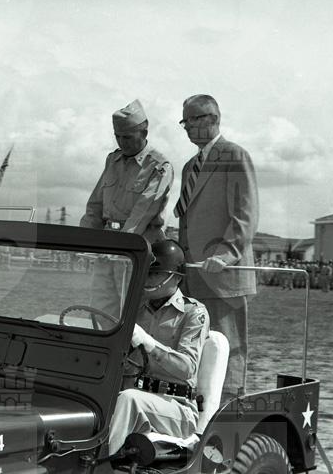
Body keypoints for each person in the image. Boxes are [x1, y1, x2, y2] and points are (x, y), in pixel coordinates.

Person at [176, 94, 259, 402]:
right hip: (192, 276)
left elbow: (245, 214)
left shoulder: (234, 156)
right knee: (197, 349)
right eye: (184, 121)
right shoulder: (190, 167)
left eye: (192, 120)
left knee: (227, 350)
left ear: (212, 119)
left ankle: (228, 409)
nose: (187, 127)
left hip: (223, 275)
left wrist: (224, 255)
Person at [108, 239, 210, 456]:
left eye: (156, 274)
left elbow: (187, 368)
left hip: (178, 408)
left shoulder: (193, 313)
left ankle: (103, 463)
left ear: (177, 277)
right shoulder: (135, 309)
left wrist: (149, 343)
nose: (148, 279)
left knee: (129, 399)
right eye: (147, 273)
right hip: (137, 393)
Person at [80, 99, 174, 318]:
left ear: (144, 132)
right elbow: (95, 205)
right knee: (101, 309)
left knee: (132, 313)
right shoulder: (112, 161)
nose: (122, 143)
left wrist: (119, 247)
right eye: (118, 137)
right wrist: (83, 241)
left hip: (136, 249)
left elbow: (142, 214)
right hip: (108, 249)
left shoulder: (159, 166)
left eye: (128, 137)